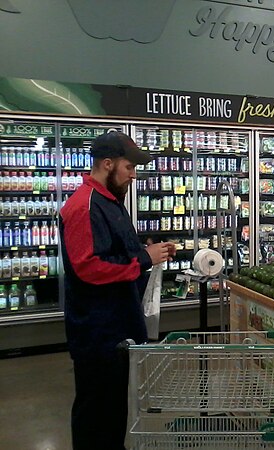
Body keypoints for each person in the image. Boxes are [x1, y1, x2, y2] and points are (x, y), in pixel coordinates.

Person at [59, 131, 175, 450]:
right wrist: (142, 259)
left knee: (112, 410)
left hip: (118, 327)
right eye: (129, 167)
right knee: (95, 412)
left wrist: (151, 253)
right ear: (107, 164)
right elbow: (89, 267)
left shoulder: (111, 201)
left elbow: (118, 252)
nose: (134, 175)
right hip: (98, 333)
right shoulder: (84, 205)